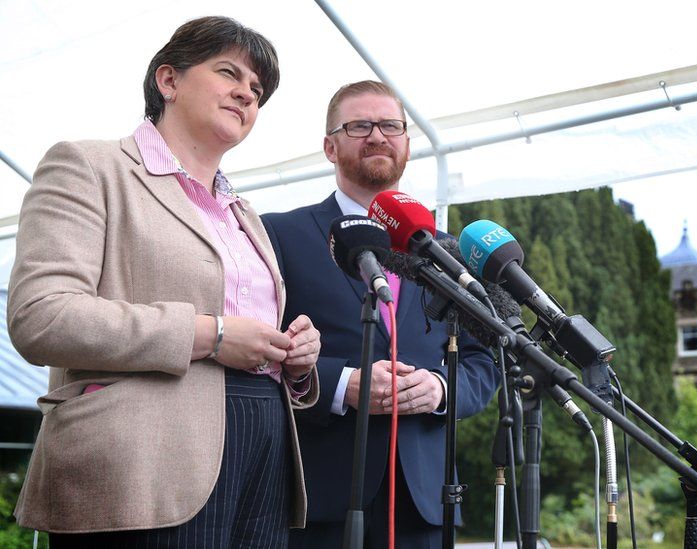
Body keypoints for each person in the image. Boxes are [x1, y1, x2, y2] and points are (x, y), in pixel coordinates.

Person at [8, 16, 321, 546]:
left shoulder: (244, 213)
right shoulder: (88, 166)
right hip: (140, 460)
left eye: (257, 90)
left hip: (264, 446)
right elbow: (42, 316)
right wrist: (212, 335)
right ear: (168, 81)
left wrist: (291, 356)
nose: (246, 93)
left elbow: (248, 335)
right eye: (229, 73)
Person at [262, 80, 502, 548]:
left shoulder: (446, 252)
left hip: (425, 501)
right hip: (317, 500)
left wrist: (439, 389)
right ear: (330, 147)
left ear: (408, 143)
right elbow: (257, 349)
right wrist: (336, 385)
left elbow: (484, 361)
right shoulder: (278, 234)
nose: (377, 136)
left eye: (390, 125)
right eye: (359, 126)